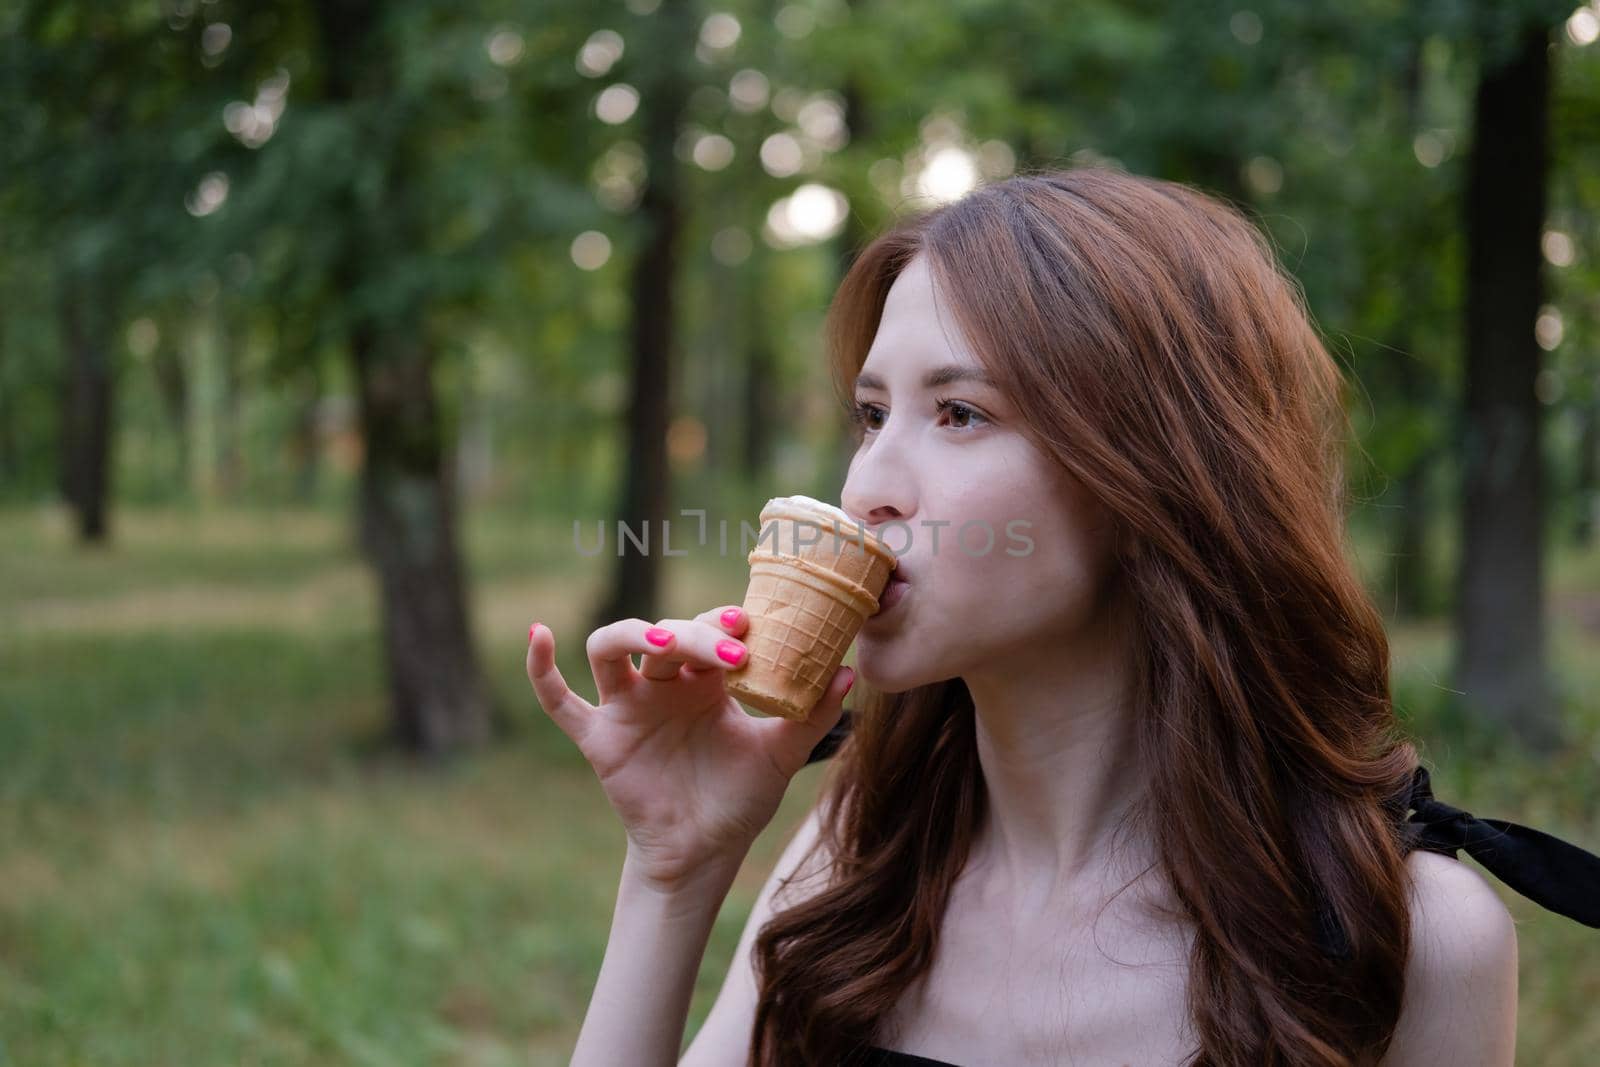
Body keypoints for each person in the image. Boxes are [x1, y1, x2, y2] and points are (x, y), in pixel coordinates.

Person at [526, 166, 1597, 1066]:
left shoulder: (1405, 932)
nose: (864, 489)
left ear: (1155, 476)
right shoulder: (853, 856)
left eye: (959, 412)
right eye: (868, 414)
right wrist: (673, 872)